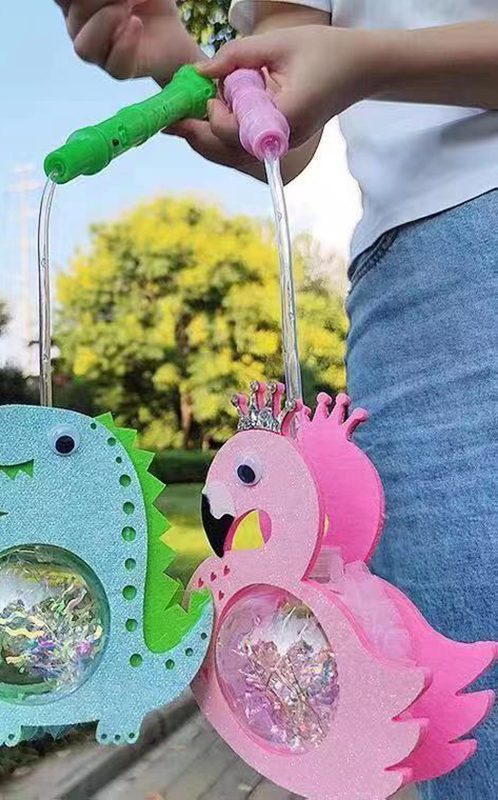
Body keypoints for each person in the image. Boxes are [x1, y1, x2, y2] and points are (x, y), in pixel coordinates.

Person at [53, 3, 498, 799]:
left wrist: (369, 60)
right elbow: (281, 133)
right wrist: (177, 59)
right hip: (413, 274)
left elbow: (331, 65)